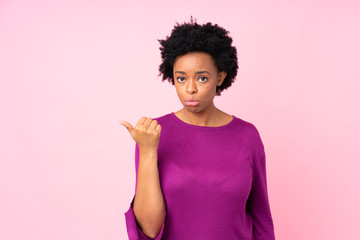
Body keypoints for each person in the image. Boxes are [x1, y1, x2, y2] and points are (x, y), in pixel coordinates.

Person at [119, 17, 275, 240]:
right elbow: (150, 230)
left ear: (220, 77)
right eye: (181, 79)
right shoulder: (153, 133)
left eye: (202, 78)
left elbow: (261, 217)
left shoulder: (247, 136)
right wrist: (147, 150)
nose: (190, 89)